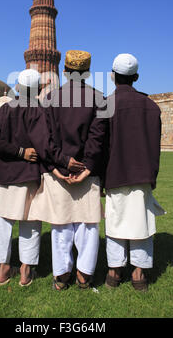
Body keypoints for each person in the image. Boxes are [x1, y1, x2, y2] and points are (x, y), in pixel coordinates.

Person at [0, 69, 84, 287]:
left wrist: (15, 152)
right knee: (30, 221)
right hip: (29, 174)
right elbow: (43, 145)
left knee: (3, 220)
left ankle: (2, 269)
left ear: (18, 88)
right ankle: (25, 270)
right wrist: (62, 160)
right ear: (39, 89)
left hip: (5, 174)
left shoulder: (3, 110)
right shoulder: (37, 110)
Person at [29, 50, 107, 290]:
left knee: (61, 225)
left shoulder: (50, 99)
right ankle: (84, 275)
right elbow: (98, 139)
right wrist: (87, 168)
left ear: (64, 71)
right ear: (87, 73)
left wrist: (58, 165)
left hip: (59, 172)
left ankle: (62, 276)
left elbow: (44, 138)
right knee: (88, 225)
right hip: (87, 171)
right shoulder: (99, 98)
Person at [103, 53, 166, 292]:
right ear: (136, 77)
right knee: (141, 222)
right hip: (142, 173)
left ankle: (114, 272)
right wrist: (153, 175)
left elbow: (101, 146)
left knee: (116, 222)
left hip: (115, 172)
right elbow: (154, 146)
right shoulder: (151, 106)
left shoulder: (106, 105)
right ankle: (139, 274)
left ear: (112, 76)